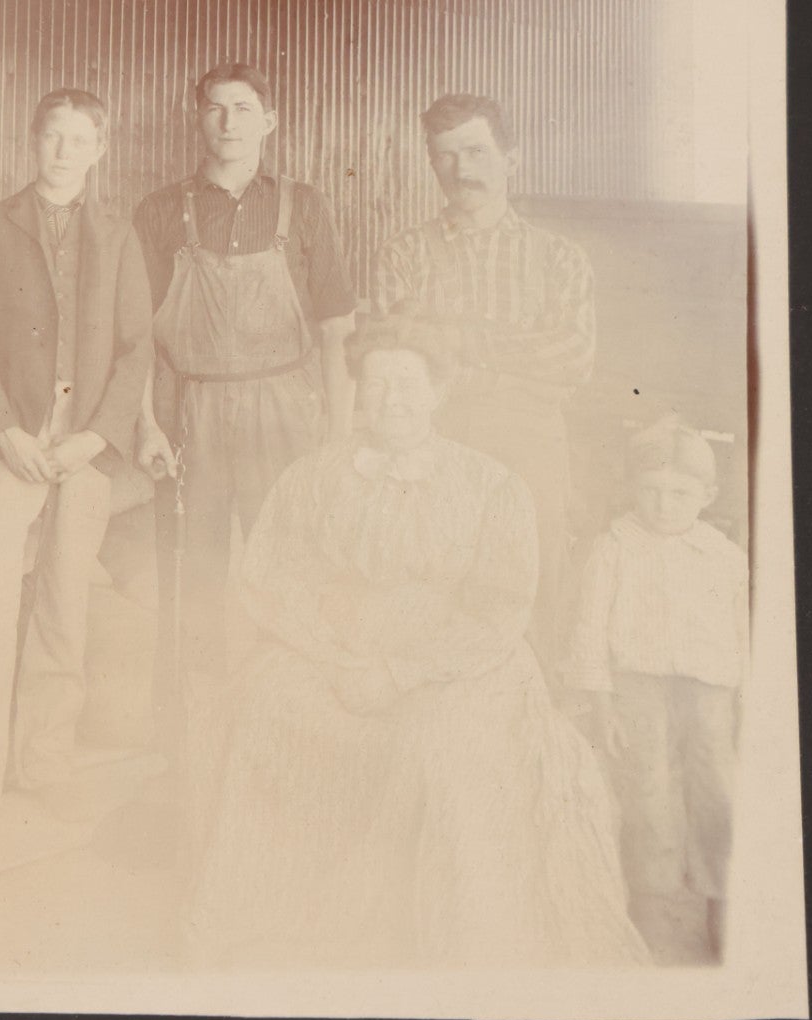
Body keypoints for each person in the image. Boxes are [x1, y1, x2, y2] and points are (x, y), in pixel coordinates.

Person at [186, 317, 646, 968]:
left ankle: (425, 939)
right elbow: (271, 575)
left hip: (457, 665)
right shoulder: (314, 477)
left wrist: (400, 673)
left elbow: (499, 606)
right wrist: (337, 656)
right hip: (335, 654)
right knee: (267, 708)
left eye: (407, 384)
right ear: (356, 393)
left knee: (438, 747)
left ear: (438, 391)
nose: (391, 400)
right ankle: (281, 924)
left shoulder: (492, 486)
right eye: (375, 385)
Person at [0, 89, 153, 844]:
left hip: (80, 448)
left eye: (80, 139)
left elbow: (136, 347)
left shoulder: (118, 236)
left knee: (64, 605)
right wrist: (2, 429)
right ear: (33, 141)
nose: (64, 151)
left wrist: (95, 438)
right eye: (53, 136)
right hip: (6, 446)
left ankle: (46, 764)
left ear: (98, 151)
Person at [131, 61, 357, 693]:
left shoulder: (305, 206)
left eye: (243, 108)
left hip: (284, 411)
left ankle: (283, 718)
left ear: (270, 122)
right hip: (189, 413)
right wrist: (147, 425)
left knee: (285, 567)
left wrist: (338, 438)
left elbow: (339, 330)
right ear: (196, 118)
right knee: (189, 574)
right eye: (214, 108)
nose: (228, 122)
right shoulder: (157, 211)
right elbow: (135, 338)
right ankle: (188, 742)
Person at [372, 92, 596, 649]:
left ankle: (536, 713)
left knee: (537, 577)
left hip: (532, 442)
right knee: (432, 580)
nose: (461, 170)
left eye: (475, 152)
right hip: (438, 437)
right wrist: (514, 352)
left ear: (511, 160)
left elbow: (572, 357)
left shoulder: (560, 257)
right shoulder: (403, 255)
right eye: (445, 156)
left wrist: (459, 342)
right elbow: (400, 356)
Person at [565, 418, 747, 960]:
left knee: (716, 788)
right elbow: (589, 628)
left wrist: (746, 699)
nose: (664, 504)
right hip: (637, 686)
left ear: (707, 495)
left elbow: (742, 632)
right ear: (631, 489)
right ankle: (652, 899)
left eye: (680, 493)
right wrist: (601, 701)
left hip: (709, 691)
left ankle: (722, 896)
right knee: (646, 788)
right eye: (651, 490)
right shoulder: (615, 546)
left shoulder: (724, 556)